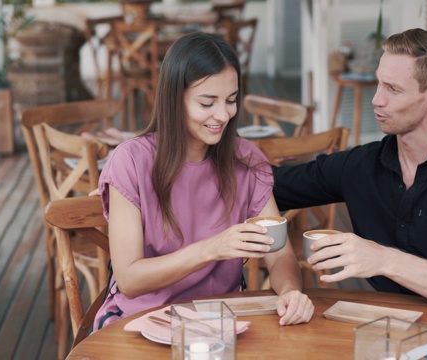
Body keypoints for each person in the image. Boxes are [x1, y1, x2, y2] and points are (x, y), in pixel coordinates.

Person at [272, 28, 427, 319]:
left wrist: (382, 259)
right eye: (379, 83)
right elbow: (272, 186)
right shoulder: (362, 165)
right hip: (387, 330)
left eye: (393, 89)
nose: (376, 99)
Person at [93, 31, 314, 331]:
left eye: (231, 100)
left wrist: (290, 291)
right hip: (139, 322)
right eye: (207, 103)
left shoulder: (246, 160)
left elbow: (280, 254)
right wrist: (212, 248)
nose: (223, 115)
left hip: (222, 322)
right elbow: (130, 280)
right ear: (175, 99)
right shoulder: (131, 161)